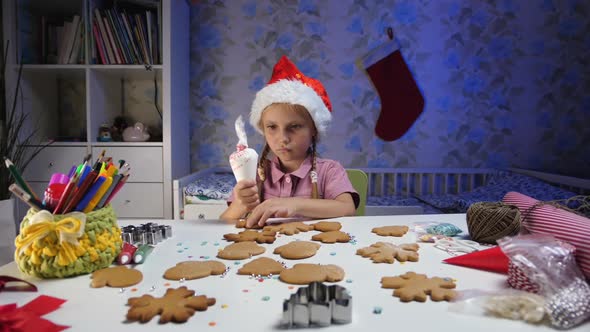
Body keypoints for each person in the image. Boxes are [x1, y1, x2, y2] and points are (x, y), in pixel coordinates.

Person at [220, 56, 359, 227]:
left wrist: (294, 204)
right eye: (272, 127)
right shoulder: (255, 174)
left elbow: (347, 208)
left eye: (294, 126)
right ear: (263, 129)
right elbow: (224, 222)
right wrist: (241, 204)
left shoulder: (329, 171)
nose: (283, 138)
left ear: (314, 130)